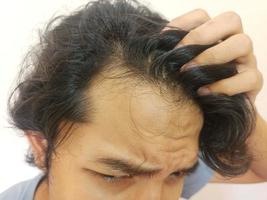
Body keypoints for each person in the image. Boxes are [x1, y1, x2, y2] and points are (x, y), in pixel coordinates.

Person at [0, 0, 266, 199]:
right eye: (114, 176)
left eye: (177, 175)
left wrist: (240, 108)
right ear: (41, 148)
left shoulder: (161, 159)